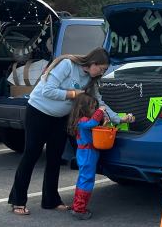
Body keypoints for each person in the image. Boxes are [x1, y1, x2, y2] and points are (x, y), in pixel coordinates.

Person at [7, 47, 130, 216]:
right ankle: (17, 200)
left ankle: (51, 200)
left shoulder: (91, 79)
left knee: (55, 157)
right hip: (38, 112)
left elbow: (99, 103)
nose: (100, 73)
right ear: (93, 63)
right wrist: (73, 93)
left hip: (60, 118)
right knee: (31, 154)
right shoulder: (67, 65)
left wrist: (118, 118)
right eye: (101, 69)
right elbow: (47, 90)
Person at [68, 94, 109, 220]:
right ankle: (79, 209)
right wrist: (100, 111)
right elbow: (92, 123)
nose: (94, 110)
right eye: (92, 107)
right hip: (87, 153)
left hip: (86, 153)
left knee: (83, 179)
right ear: (83, 108)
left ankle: (76, 205)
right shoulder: (84, 120)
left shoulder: (81, 121)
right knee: (87, 180)